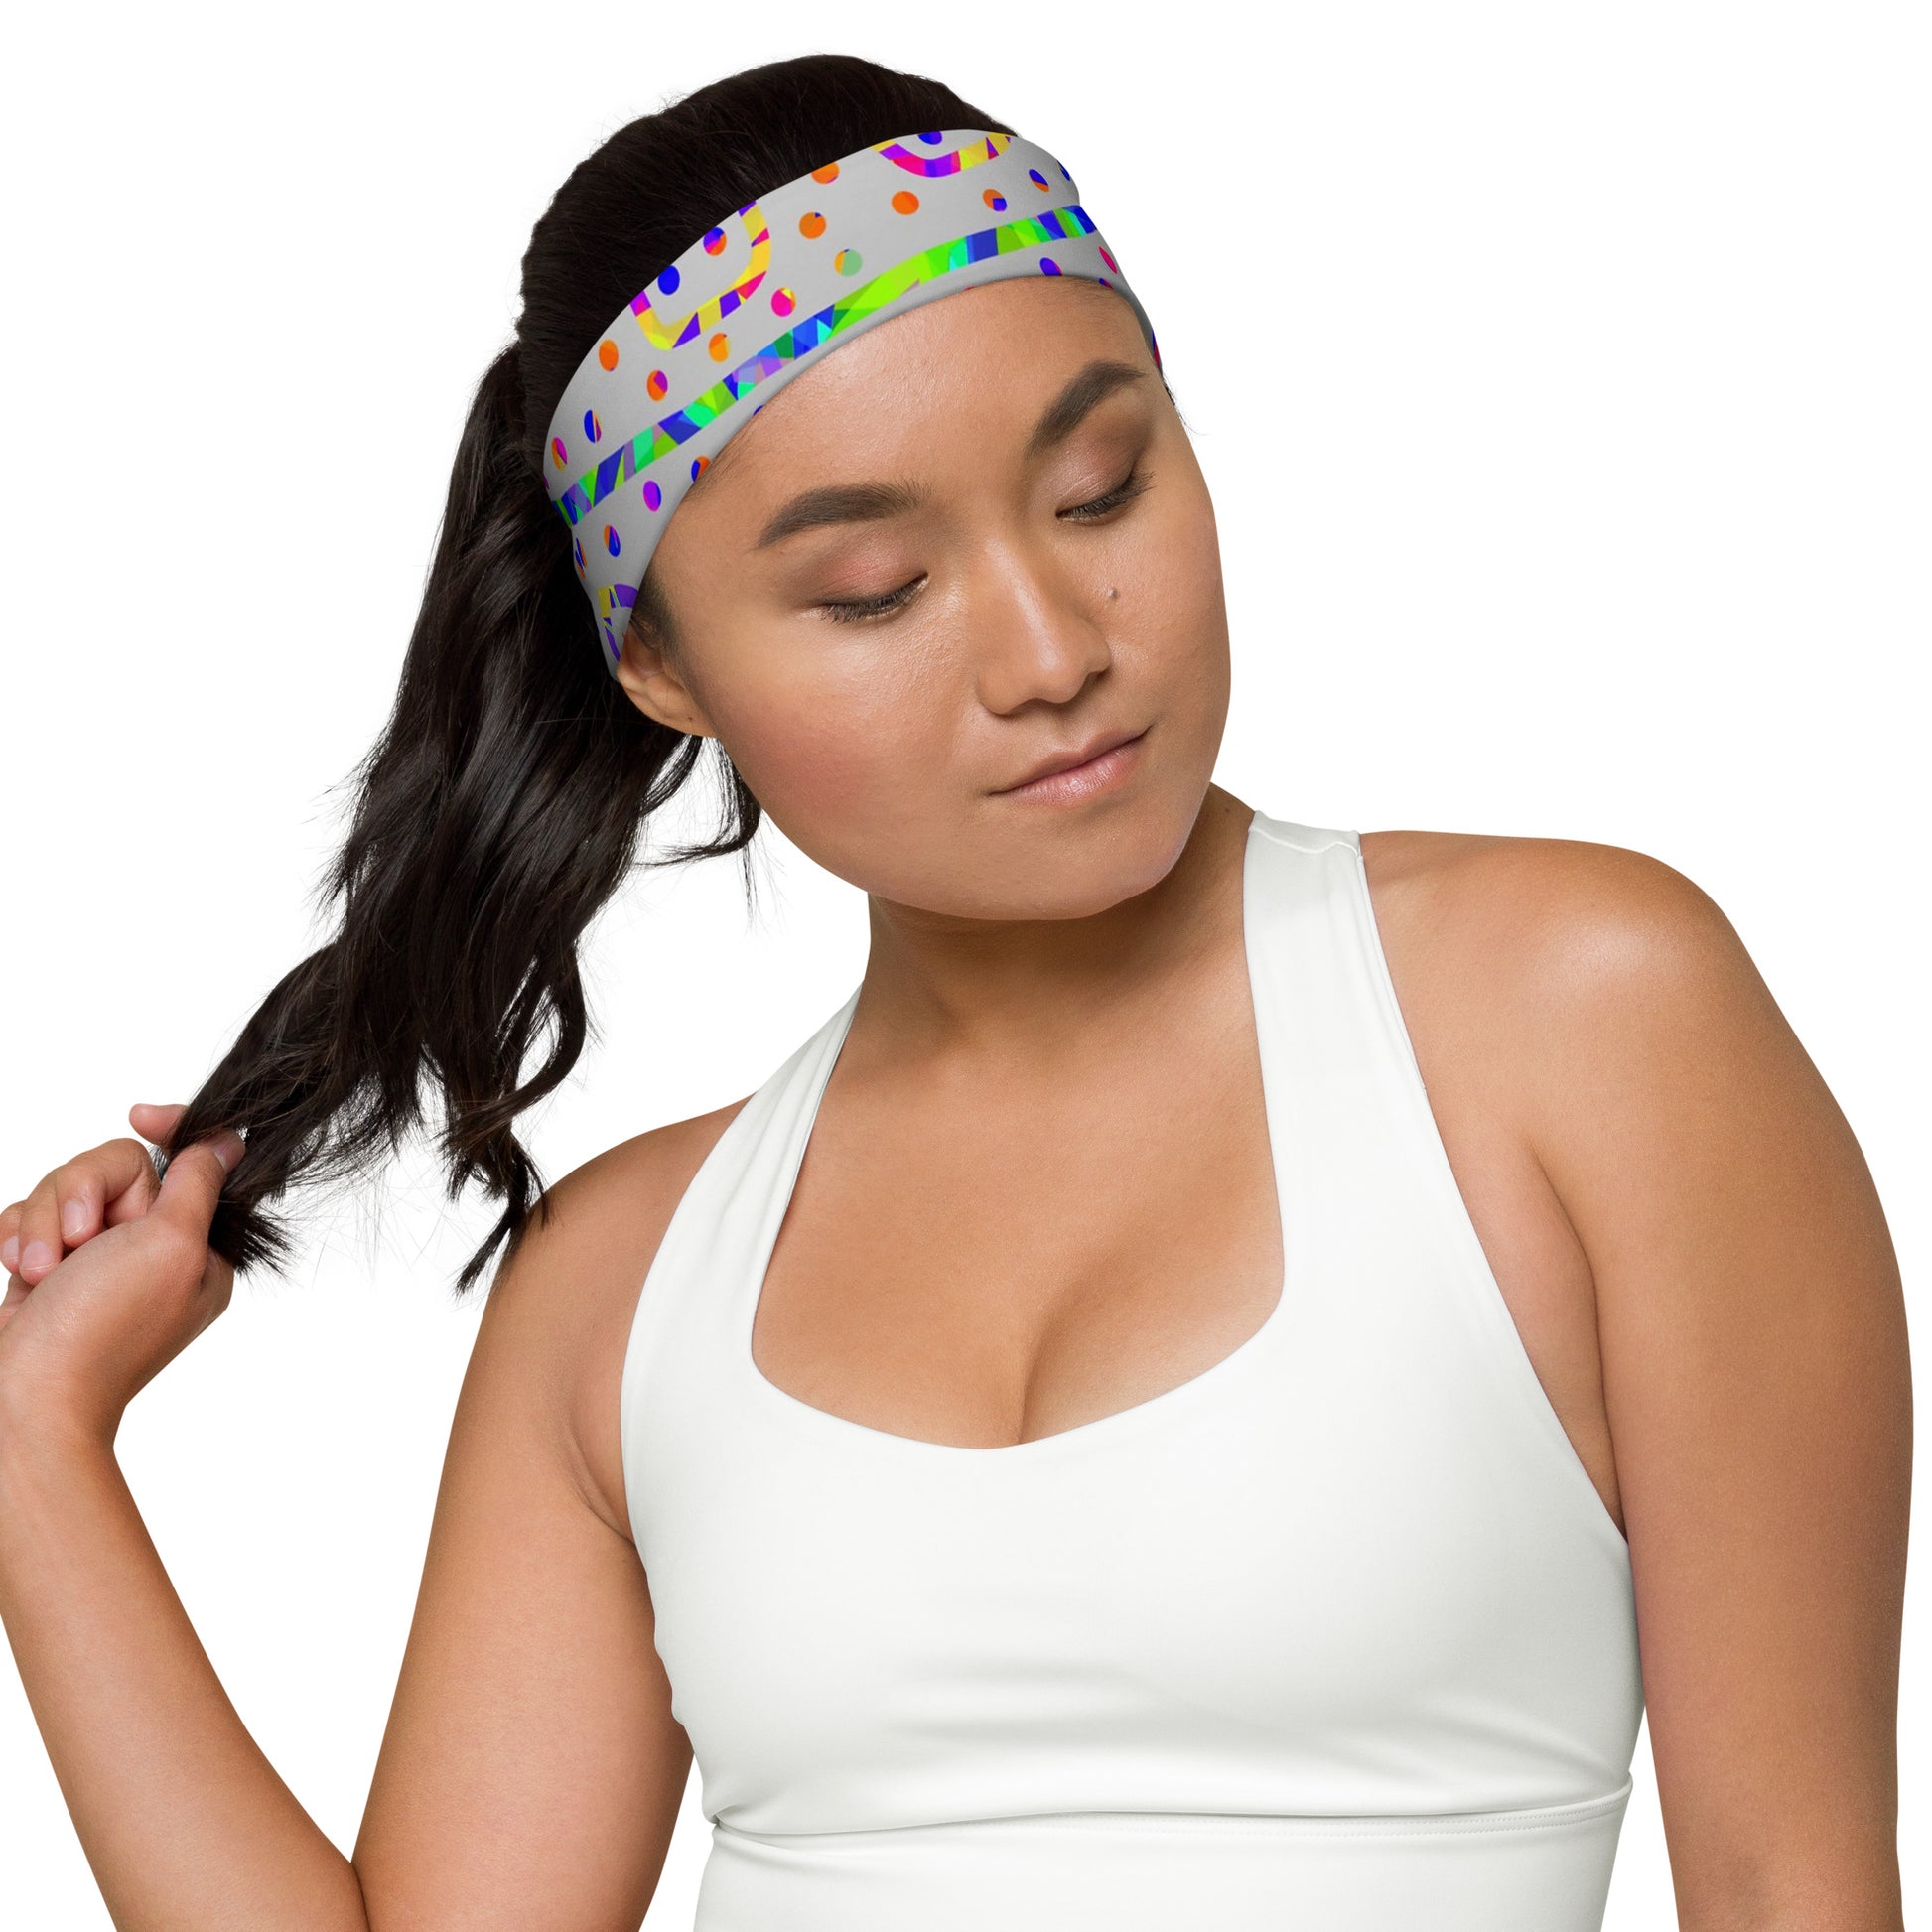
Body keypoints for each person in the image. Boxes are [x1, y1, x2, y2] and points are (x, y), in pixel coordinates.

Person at [0, 50, 1909, 1932]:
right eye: (872, 590)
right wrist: (34, 1456)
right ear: (660, 665)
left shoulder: (1576, 1019)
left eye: (1099, 489)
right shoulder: (623, 1282)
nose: (1051, 650)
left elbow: (1786, 1887)